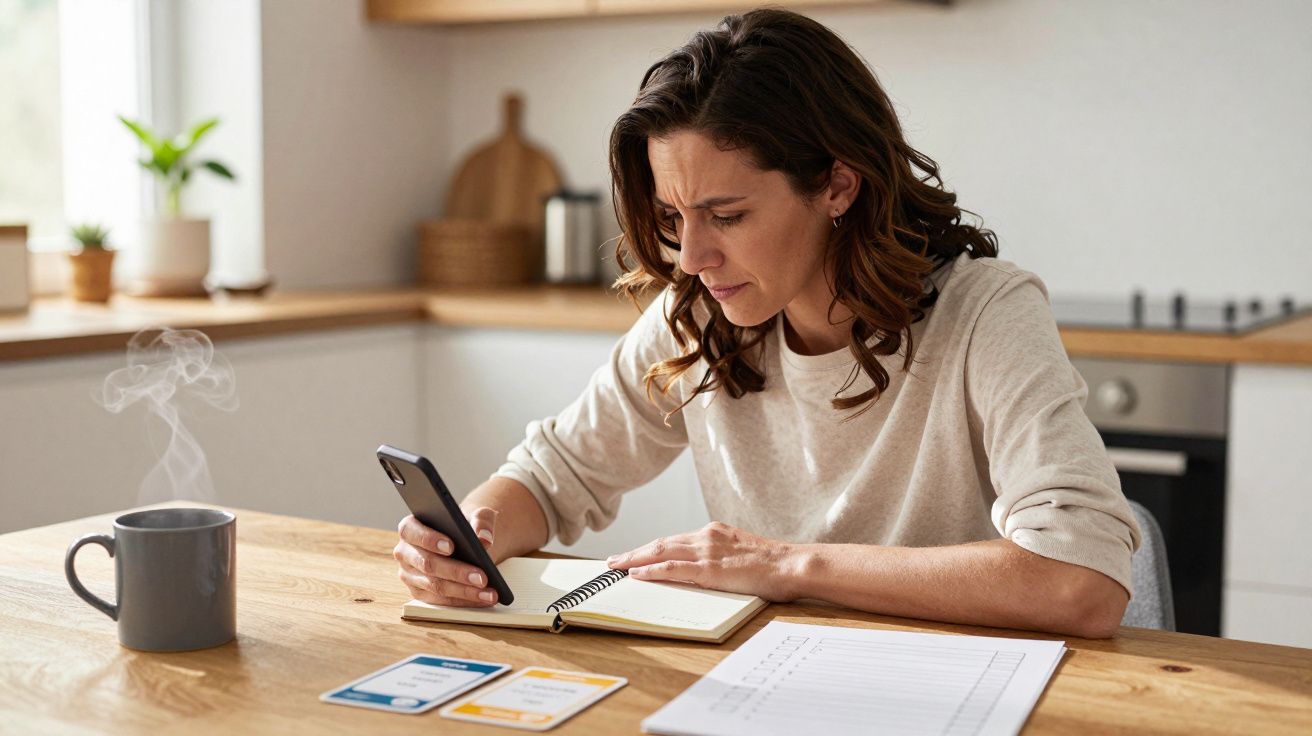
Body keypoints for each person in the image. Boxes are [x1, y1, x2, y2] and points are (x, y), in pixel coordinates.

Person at [395, 8, 1139, 639]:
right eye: (673, 217)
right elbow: (552, 477)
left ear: (837, 185)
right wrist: (467, 538)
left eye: (727, 215)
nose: (690, 257)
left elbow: (1082, 580)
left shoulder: (985, 314)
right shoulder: (699, 319)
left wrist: (784, 564)